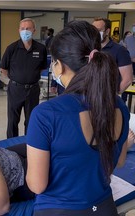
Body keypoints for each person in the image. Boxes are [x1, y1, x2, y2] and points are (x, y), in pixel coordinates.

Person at [26, 20, 130, 216]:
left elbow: (37, 185)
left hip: (59, 210)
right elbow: (120, 160)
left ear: (59, 66)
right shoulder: (119, 106)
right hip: (104, 207)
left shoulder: (46, 114)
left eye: (53, 62)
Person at [0, 18, 47, 138]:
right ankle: (11, 145)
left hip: (33, 90)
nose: (25, 31)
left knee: (31, 120)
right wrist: (16, 80)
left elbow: (41, 68)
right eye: (22, 28)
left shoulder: (41, 49)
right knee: (13, 120)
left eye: (28, 28)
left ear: (34, 30)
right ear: (19, 30)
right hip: (15, 89)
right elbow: (3, 69)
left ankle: (29, 144)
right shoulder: (11, 48)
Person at [92, 18, 133, 94]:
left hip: (108, 96)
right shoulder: (90, 48)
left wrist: (114, 96)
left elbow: (128, 79)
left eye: (98, 30)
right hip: (90, 94)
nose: (95, 33)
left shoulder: (120, 50)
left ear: (107, 31)